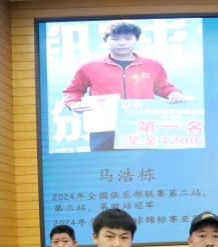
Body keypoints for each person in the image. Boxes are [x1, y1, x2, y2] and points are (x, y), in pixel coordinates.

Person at [63, 20, 185, 151]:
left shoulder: (152, 65)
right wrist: (73, 104)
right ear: (105, 40)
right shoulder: (90, 67)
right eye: (115, 39)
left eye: (128, 38)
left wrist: (173, 94)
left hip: (142, 126)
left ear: (137, 39)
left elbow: (163, 87)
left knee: (143, 162)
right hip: (103, 128)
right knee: (105, 162)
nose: (121, 43)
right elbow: (73, 91)